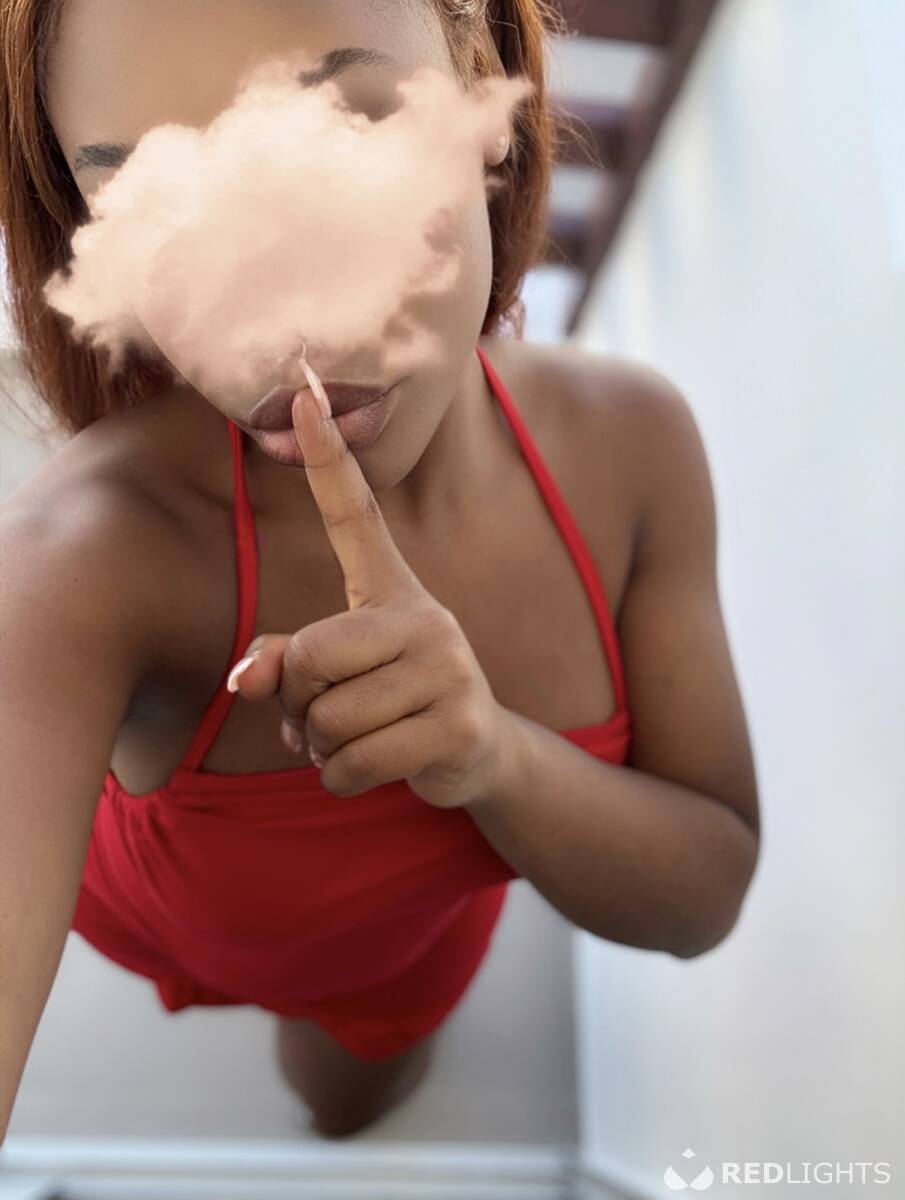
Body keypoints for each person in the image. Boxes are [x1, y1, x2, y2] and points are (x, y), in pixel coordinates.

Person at [0, 0, 760, 1141]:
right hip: (151, 902)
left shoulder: (633, 445)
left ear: (482, 85)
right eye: (149, 196)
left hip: (394, 953)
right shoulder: (88, 549)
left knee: (343, 1111)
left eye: (352, 132)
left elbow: (704, 889)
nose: (273, 308)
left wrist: (488, 755)